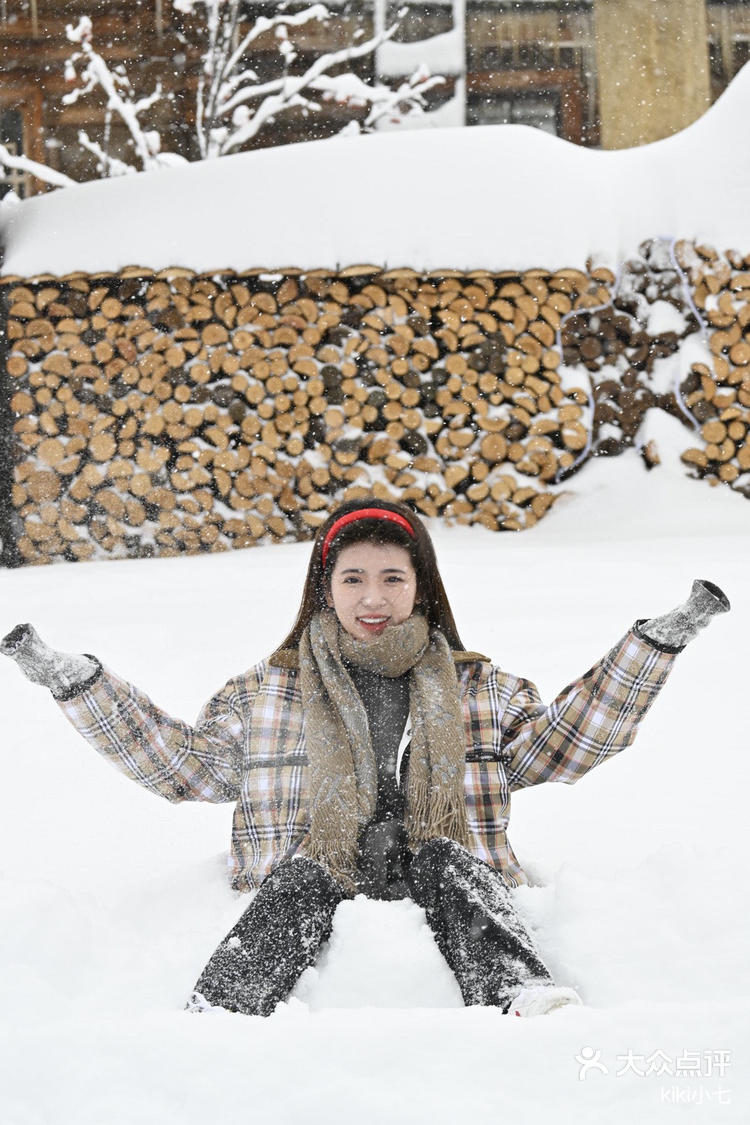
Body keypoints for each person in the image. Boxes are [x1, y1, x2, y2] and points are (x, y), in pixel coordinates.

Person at [1, 497, 730, 1018]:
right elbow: (182, 767)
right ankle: (219, 1015)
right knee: (301, 876)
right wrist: (78, 684)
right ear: (325, 586)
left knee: (446, 860)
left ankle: (523, 992)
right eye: (352, 578)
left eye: (392, 578)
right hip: (313, 883)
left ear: (420, 587)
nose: (372, 598)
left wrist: (653, 646)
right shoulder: (269, 692)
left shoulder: (476, 688)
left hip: (445, 885)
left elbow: (567, 744)